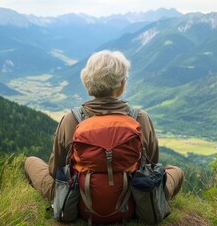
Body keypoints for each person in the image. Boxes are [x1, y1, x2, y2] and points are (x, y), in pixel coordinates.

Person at [24, 50, 184, 221]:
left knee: (30, 162)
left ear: (87, 82)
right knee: (176, 171)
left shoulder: (71, 119)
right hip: (133, 203)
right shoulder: (140, 119)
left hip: (77, 204)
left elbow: (55, 171)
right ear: (122, 85)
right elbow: (150, 165)